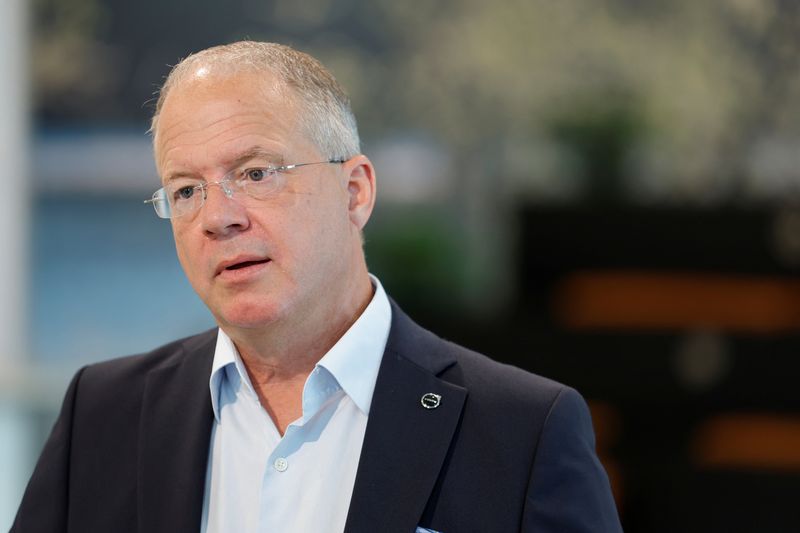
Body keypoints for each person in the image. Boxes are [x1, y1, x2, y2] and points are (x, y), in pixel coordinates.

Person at [12, 41, 622, 533]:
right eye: (186, 190)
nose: (218, 216)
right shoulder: (103, 414)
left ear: (355, 192)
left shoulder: (522, 432)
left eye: (254, 173)